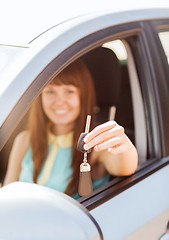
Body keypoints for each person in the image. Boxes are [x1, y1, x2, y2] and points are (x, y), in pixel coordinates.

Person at [3, 59, 138, 199]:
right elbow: (7, 194)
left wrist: (124, 146)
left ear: (83, 95)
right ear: (40, 97)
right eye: (50, 91)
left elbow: (126, 168)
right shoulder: (24, 140)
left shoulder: (95, 142)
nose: (59, 101)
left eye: (69, 91)